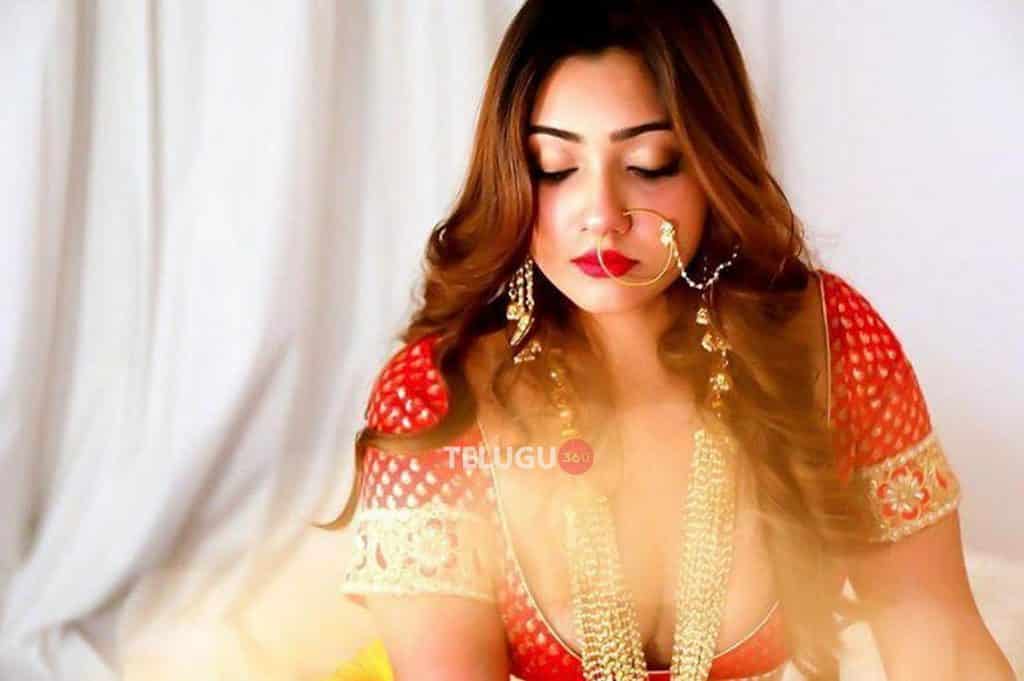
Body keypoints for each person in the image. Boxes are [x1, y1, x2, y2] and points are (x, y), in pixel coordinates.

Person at [318, 1, 1015, 679]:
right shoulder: (436, 400)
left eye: (650, 164)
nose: (602, 214)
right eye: (555, 166)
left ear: (713, 164)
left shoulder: (831, 347)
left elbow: (945, 645)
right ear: (512, 175)